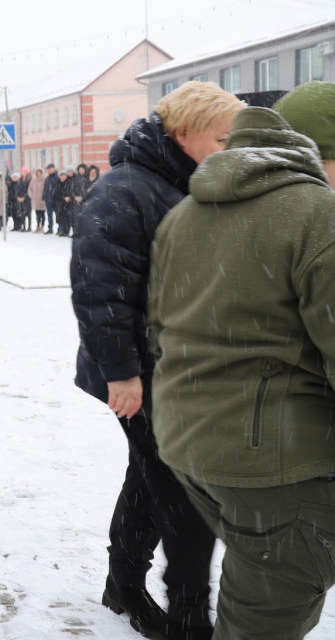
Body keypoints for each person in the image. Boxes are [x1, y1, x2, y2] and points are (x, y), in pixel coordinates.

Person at [149, 83, 335, 640]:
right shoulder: (317, 215)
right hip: (277, 467)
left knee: (257, 584)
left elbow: (164, 328)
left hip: (194, 445)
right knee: (263, 617)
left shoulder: (188, 211)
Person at [73, 80, 244, 640]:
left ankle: (122, 582)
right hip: (139, 373)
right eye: (223, 138)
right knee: (179, 491)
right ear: (183, 132)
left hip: (171, 369)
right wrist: (121, 373)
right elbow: (99, 289)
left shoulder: (181, 183)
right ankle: (188, 614)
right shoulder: (125, 188)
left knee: (150, 480)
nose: (230, 148)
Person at [42, 164, 59, 234]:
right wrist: (44, 196)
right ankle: (50, 228)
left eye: (51, 169)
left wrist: (55, 196)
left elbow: (58, 189)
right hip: (48, 199)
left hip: (56, 199)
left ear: (54, 169)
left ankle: (60, 229)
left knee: (58, 215)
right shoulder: (47, 179)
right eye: (48, 169)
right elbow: (45, 189)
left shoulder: (57, 178)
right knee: (49, 214)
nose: (49, 170)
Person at [29, 167, 46, 233]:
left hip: (42, 200)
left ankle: (42, 226)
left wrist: (43, 196)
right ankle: (37, 226)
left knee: (42, 214)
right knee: (37, 214)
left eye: (40, 173)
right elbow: (30, 189)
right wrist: (32, 195)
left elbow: (46, 189)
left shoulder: (44, 181)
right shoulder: (33, 181)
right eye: (37, 173)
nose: (38, 175)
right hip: (35, 200)